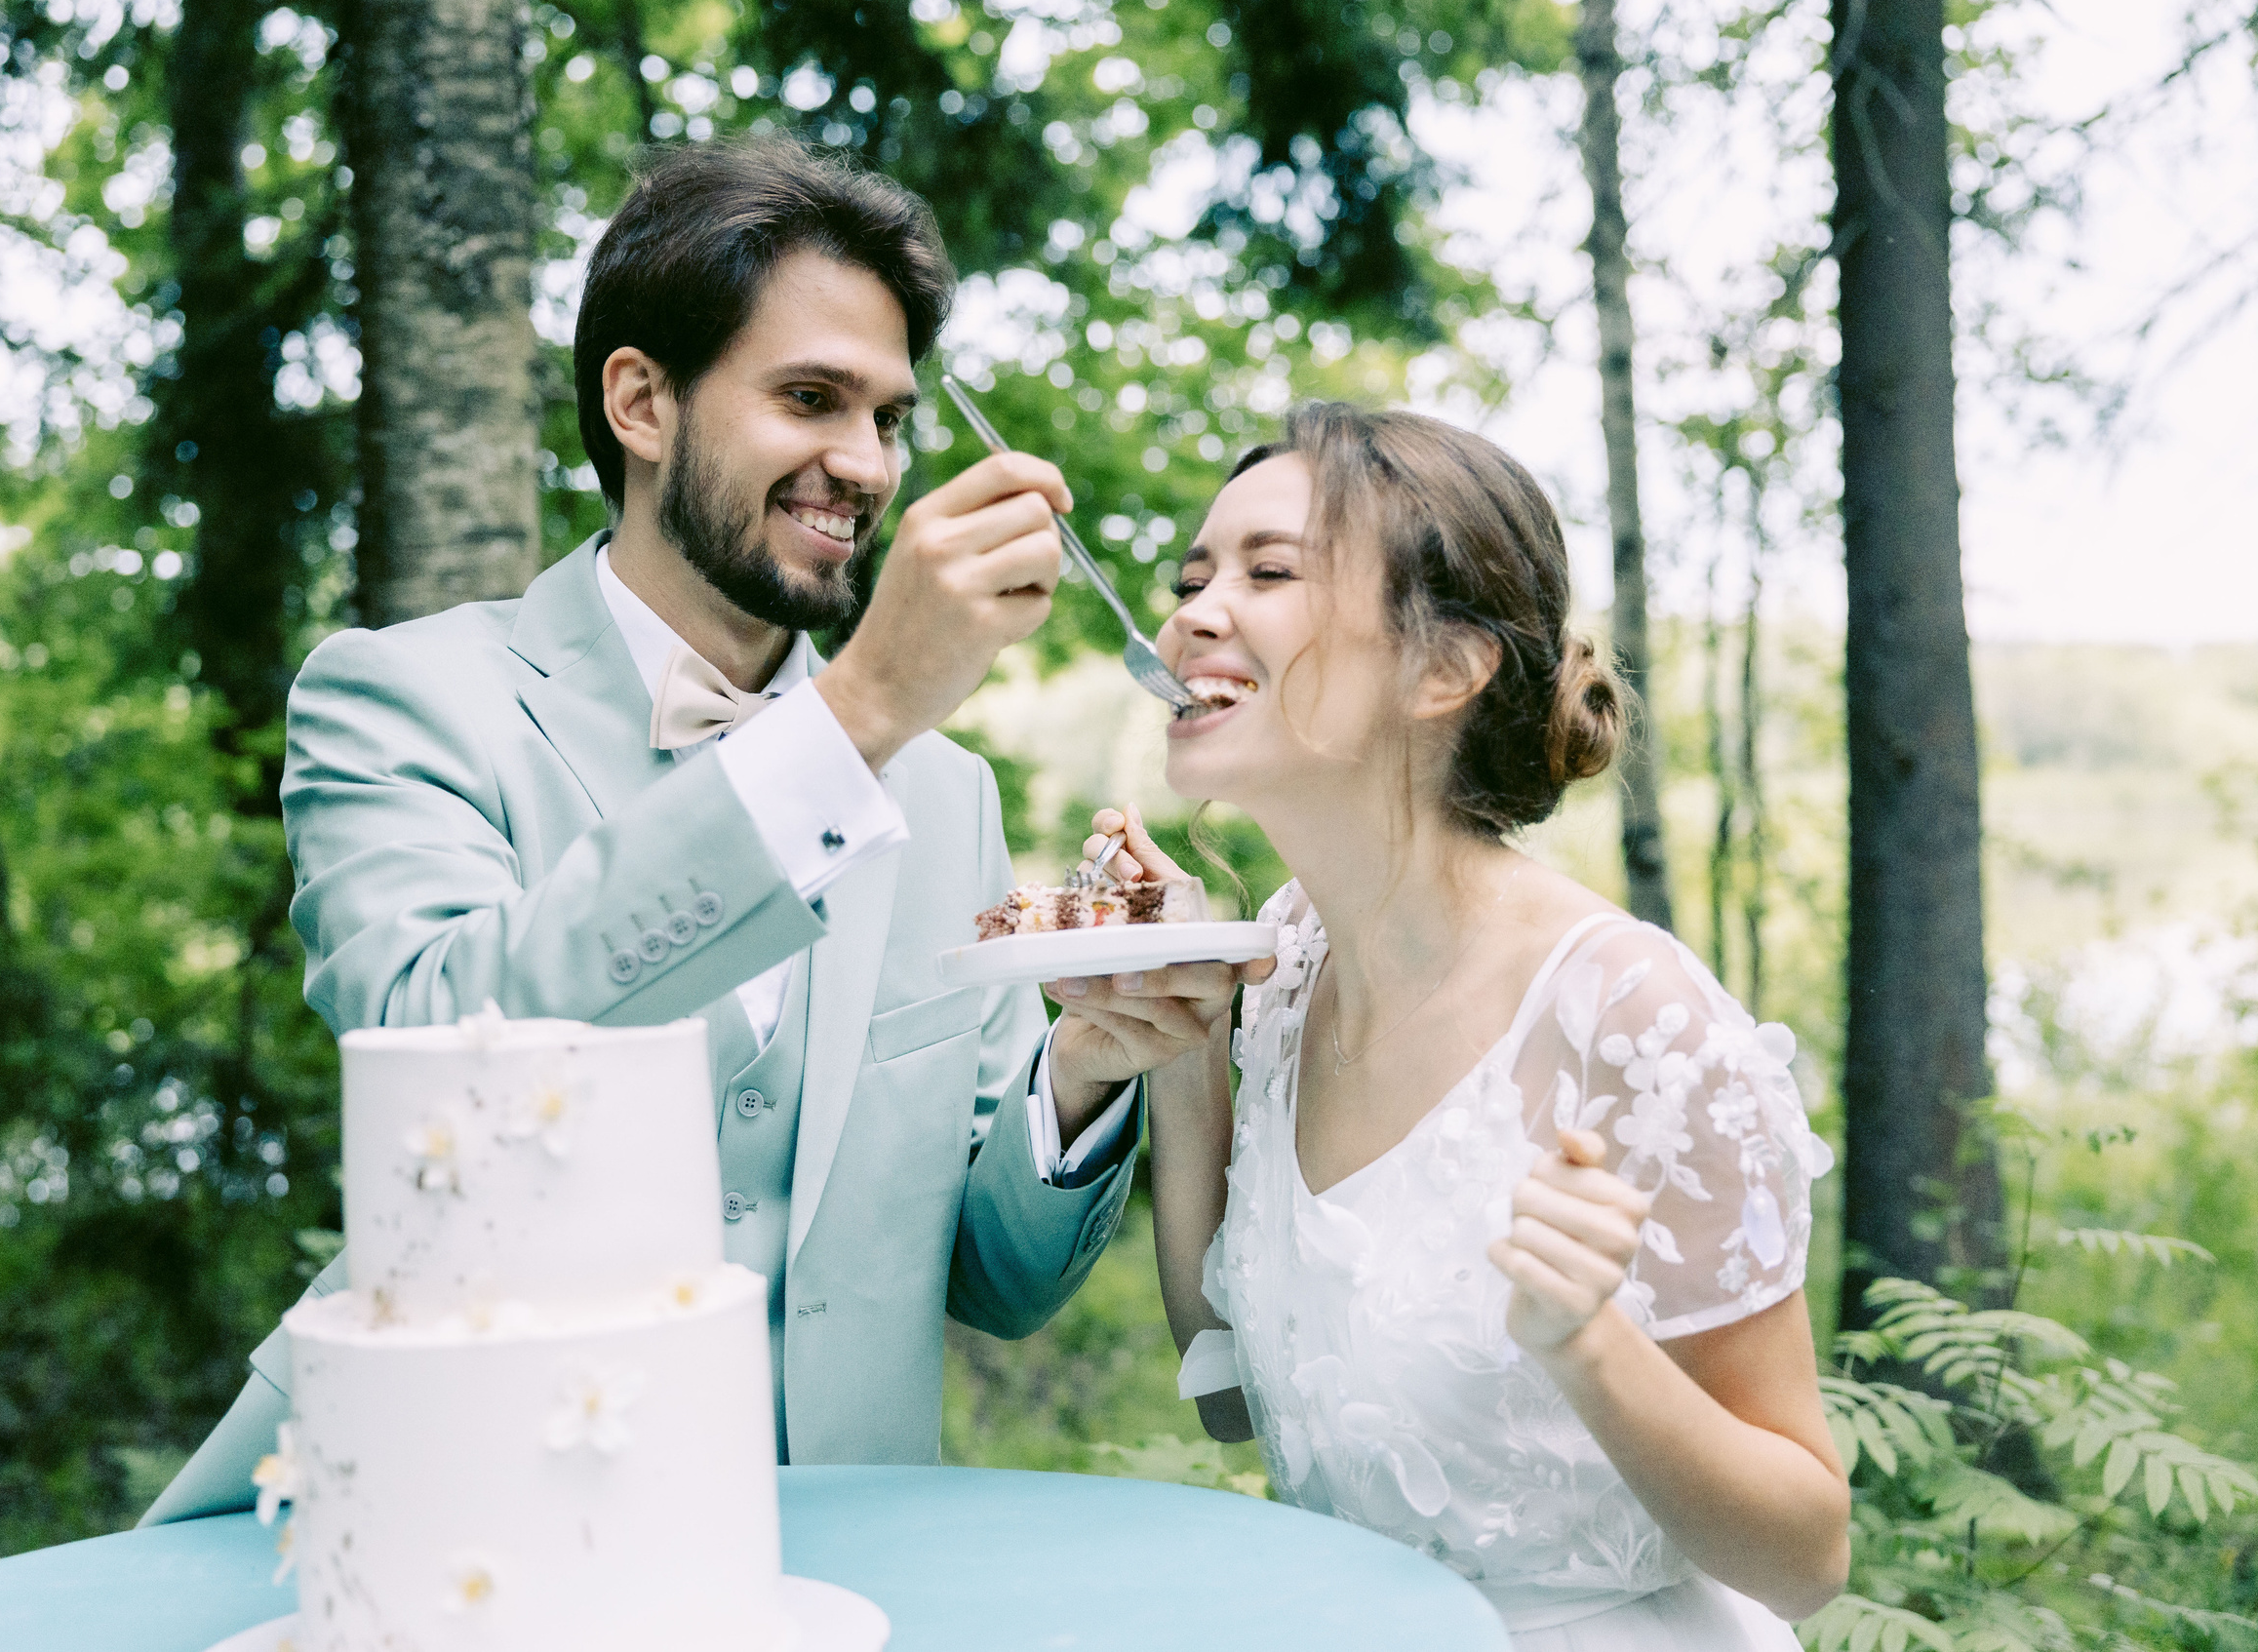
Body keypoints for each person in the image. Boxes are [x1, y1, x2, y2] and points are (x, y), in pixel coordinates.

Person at [141, 136, 1250, 1522]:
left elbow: (998, 1281)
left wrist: (1084, 1067)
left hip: (846, 1563)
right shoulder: (407, 695)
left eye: (892, 417)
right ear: (641, 401)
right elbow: (444, 1051)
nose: (863, 464)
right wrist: (853, 717)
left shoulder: (943, 794)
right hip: (461, 1535)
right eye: (809, 398)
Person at [1089, 402, 1848, 1647]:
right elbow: (1232, 1392)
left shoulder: (1632, 1022)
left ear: (1443, 668)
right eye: (1192, 575)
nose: (1191, 612)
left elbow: (1807, 1556)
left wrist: (1588, 1348)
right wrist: (1183, 1048)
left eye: (1268, 572)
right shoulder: (1288, 965)